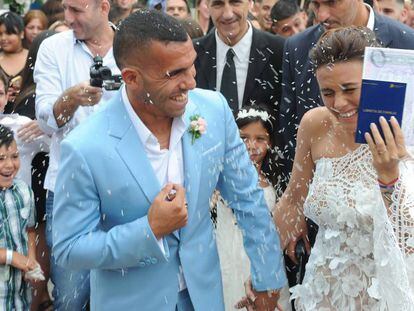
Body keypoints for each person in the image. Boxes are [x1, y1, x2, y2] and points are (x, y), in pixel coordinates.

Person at [52, 10, 287, 310]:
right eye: (174, 73)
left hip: (204, 298)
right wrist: (148, 230)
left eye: (191, 66)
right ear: (131, 78)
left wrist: (268, 279)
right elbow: (70, 249)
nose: (190, 82)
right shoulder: (85, 147)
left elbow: (249, 201)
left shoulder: (212, 111)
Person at [274, 26, 414, 310]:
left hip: (385, 298)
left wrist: (388, 176)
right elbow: (292, 198)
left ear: (374, 80)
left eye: (350, 89)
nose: (339, 103)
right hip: (323, 294)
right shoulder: (315, 124)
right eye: (327, 92)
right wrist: (262, 269)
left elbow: (408, 241)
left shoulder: (405, 130)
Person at [33, 0, 119, 309]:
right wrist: (69, 100)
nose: (68, 18)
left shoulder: (131, 46)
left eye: (77, 10)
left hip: (125, 188)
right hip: (69, 188)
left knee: (123, 296)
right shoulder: (53, 48)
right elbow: (44, 117)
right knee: (70, 297)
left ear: (104, 7)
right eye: (65, 8)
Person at [213, 105, 290, 310]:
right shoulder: (218, 177)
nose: (251, 145)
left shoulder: (275, 181)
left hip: (262, 255)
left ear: (270, 142)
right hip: (225, 254)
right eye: (244, 138)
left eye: (259, 139)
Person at [193, 0, 285, 119]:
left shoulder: (279, 51)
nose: (227, 14)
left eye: (235, 2)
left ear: (250, 3)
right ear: (207, 6)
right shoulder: (192, 53)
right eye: (218, 4)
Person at [0, 124, 44, 310]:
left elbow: (30, 229)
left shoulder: (24, 191)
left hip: (19, 296)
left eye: (15, 156)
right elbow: (15, 258)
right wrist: (12, 257)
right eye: (0, 158)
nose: (9, 165)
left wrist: (31, 259)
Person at [0, 12, 28, 113]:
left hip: (28, 118)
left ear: (21, 33)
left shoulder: (34, 58)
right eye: (0, 34)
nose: (3, 38)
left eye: (8, 33)